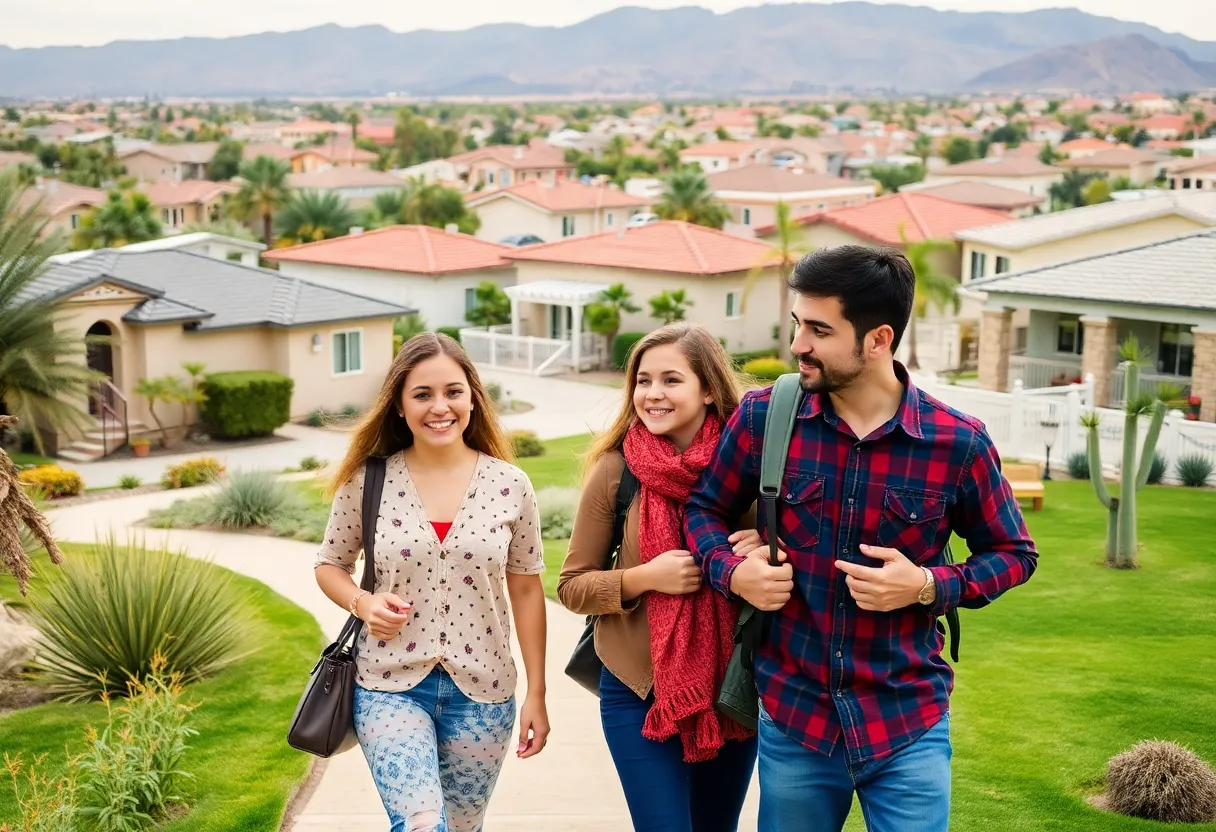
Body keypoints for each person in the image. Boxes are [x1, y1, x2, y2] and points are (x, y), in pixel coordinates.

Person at [685, 246, 1039, 832]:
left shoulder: (958, 444)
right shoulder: (763, 418)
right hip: (795, 717)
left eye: (819, 329)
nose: (798, 343)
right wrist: (732, 571)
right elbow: (704, 510)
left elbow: (1014, 555)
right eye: (799, 323)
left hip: (908, 722)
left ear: (877, 339)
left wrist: (928, 585)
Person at [315, 332, 549, 832]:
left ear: (472, 399)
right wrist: (362, 603)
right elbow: (330, 565)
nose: (439, 407)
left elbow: (527, 590)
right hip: (388, 686)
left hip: (485, 692)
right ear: (399, 405)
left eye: (453, 392)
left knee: (461, 828)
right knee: (423, 825)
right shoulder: (367, 480)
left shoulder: (511, 485)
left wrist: (537, 693)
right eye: (422, 394)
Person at [558, 324, 762, 832]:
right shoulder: (616, 470)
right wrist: (643, 577)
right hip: (636, 690)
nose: (652, 394)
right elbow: (572, 586)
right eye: (642, 380)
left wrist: (767, 547)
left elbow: (800, 560)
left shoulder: (752, 470)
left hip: (731, 692)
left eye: (671, 380)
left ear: (708, 388)